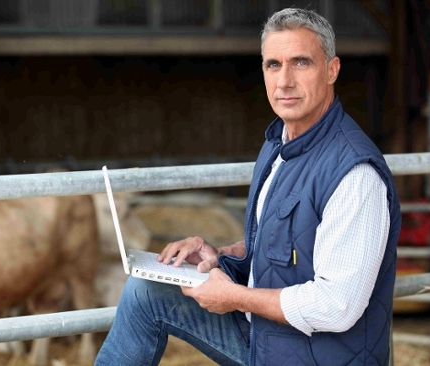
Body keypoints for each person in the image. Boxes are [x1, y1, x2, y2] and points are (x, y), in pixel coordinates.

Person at [96, 7, 401, 366]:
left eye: (301, 63)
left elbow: (337, 306)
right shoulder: (278, 145)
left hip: (317, 357)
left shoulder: (354, 174)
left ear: (332, 70)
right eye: (274, 65)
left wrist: (236, 297)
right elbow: (286, 245)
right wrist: (218, 257)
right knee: (146, 291)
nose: (284, 81)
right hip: (268, 338)